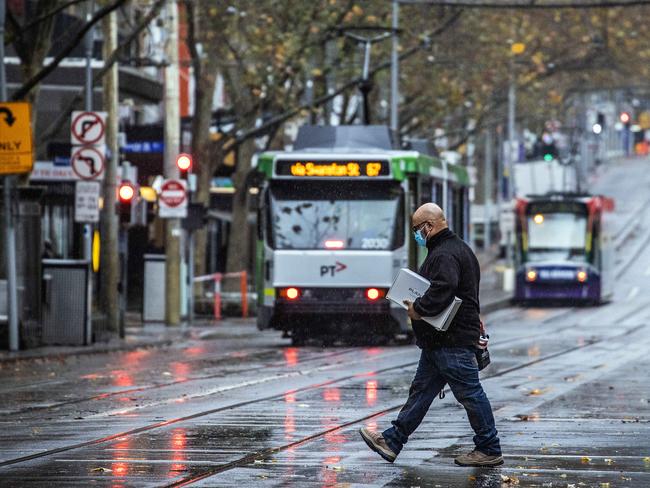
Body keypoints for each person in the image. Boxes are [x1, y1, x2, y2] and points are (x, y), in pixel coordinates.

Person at [359, 203, 502, 467]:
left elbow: (443, 289)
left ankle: (489, 448)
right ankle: (392, 441)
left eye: (417, 229)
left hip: (451, 340)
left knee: (470, 394)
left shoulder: (445, 254)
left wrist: (418, 309)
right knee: (421, 392)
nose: (416, 234)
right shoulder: (454, 249)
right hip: (440, 341)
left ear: (430, 226)